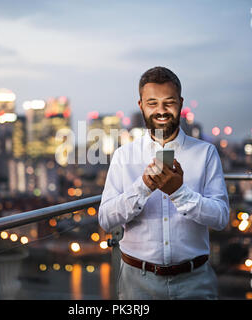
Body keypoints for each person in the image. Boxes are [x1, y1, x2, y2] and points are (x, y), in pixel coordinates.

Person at [98, 66, 230, 299]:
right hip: (137, 282)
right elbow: (106, 220)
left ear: (180, 103)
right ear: (141, 105)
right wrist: (143, 187)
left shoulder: (205, 153)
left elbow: (220, 218)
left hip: (194, 280)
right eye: (152, 103)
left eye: (169, 102)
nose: (161, 111)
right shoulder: (123, 155)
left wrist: (179, 192)